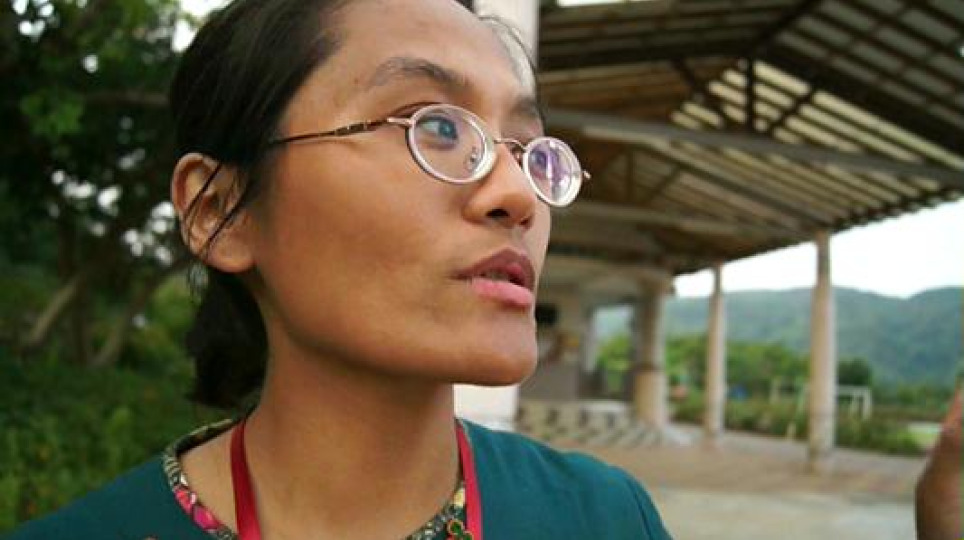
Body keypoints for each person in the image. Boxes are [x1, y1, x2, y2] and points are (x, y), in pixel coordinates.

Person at [7, 0, 670, 538]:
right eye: (437, 128)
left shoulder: (604, 519)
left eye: (527, 150)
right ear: (220, 211)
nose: (519, 194)